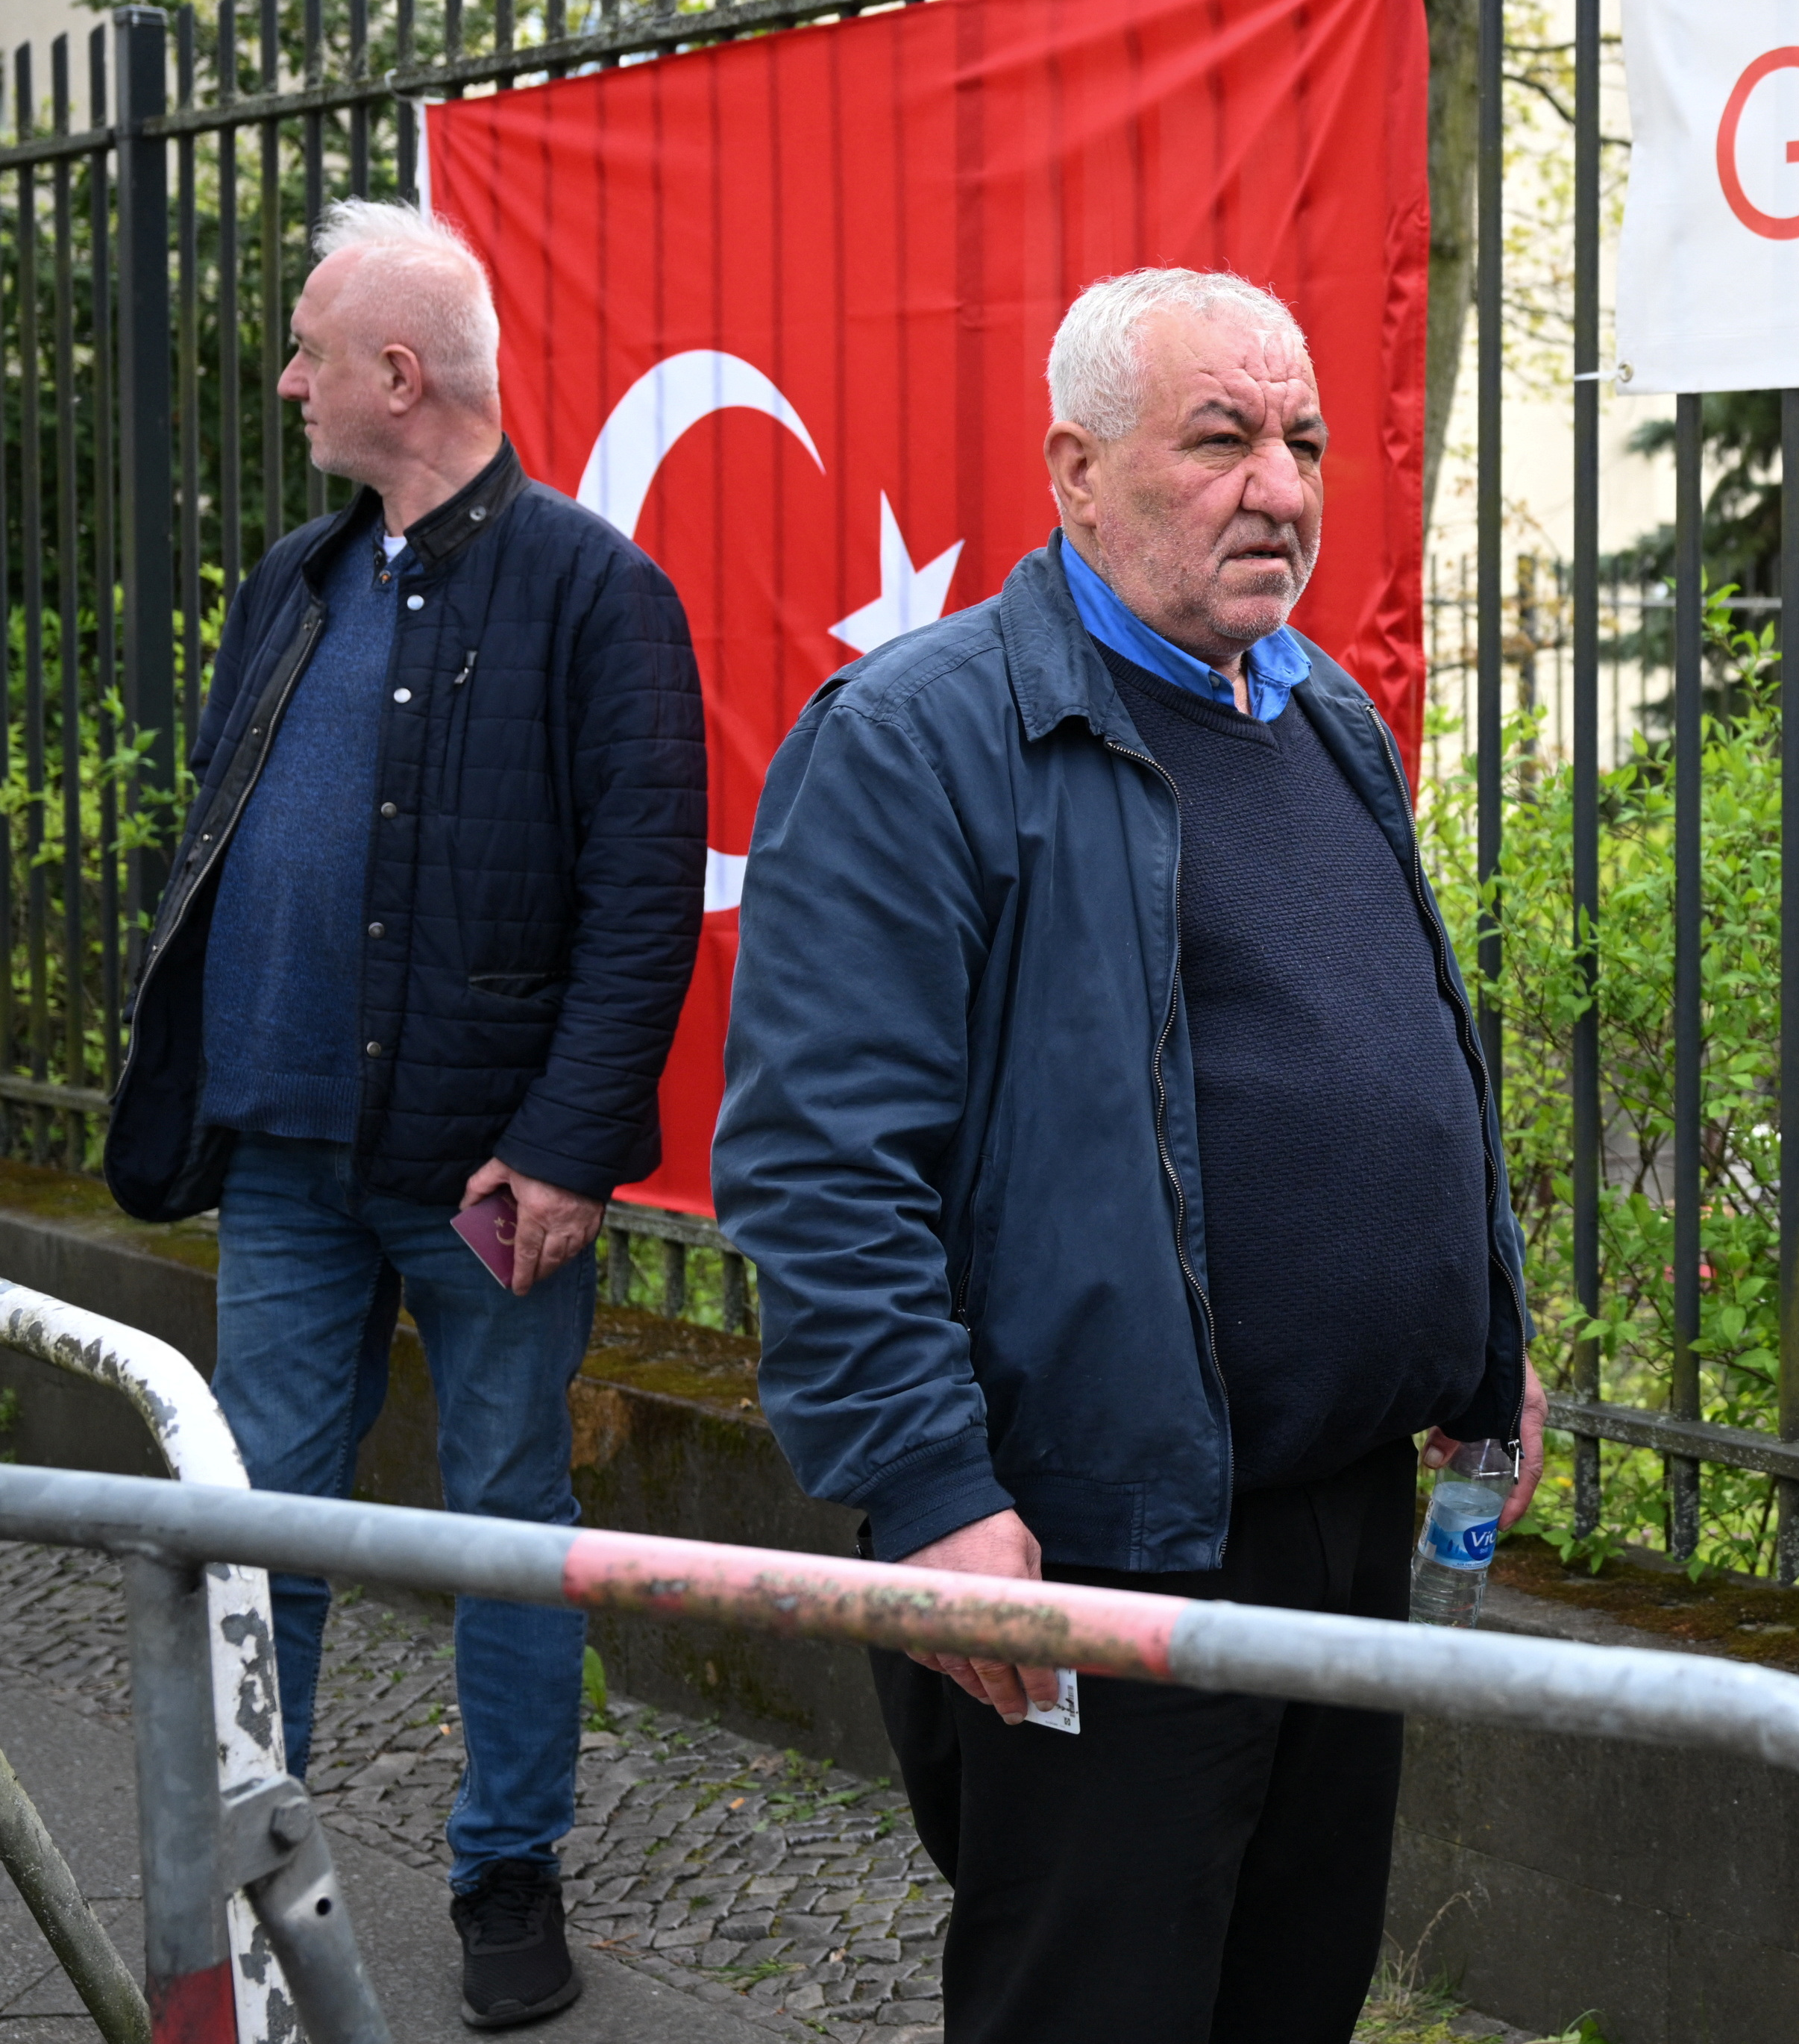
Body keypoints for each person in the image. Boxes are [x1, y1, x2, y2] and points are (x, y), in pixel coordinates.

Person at [713, 265, 1541, 2044]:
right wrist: (928, 1491)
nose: (1285, 490)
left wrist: (1487, 1343)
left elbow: (1414, 1053)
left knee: (1290, 1993)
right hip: (1099, 1540)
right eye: (1222, 440)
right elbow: (817, 1159)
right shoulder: (921, 741)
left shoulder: (1319, 715)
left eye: (1304, 443)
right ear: (1074, 472)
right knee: (1095, 2002)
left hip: (1340, 1512)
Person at [101, 199, 708, 2031]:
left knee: (503, 1523)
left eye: (305, 348)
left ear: (399, 371)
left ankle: (507, 1879)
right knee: (264, 1520)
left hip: (486, 1181)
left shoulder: (599, 594)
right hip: (283, 1165)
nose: (282, 377)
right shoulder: (294, 578)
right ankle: (244, 1874)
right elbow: (224, 833)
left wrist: (567, 1143)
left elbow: (640, 899)